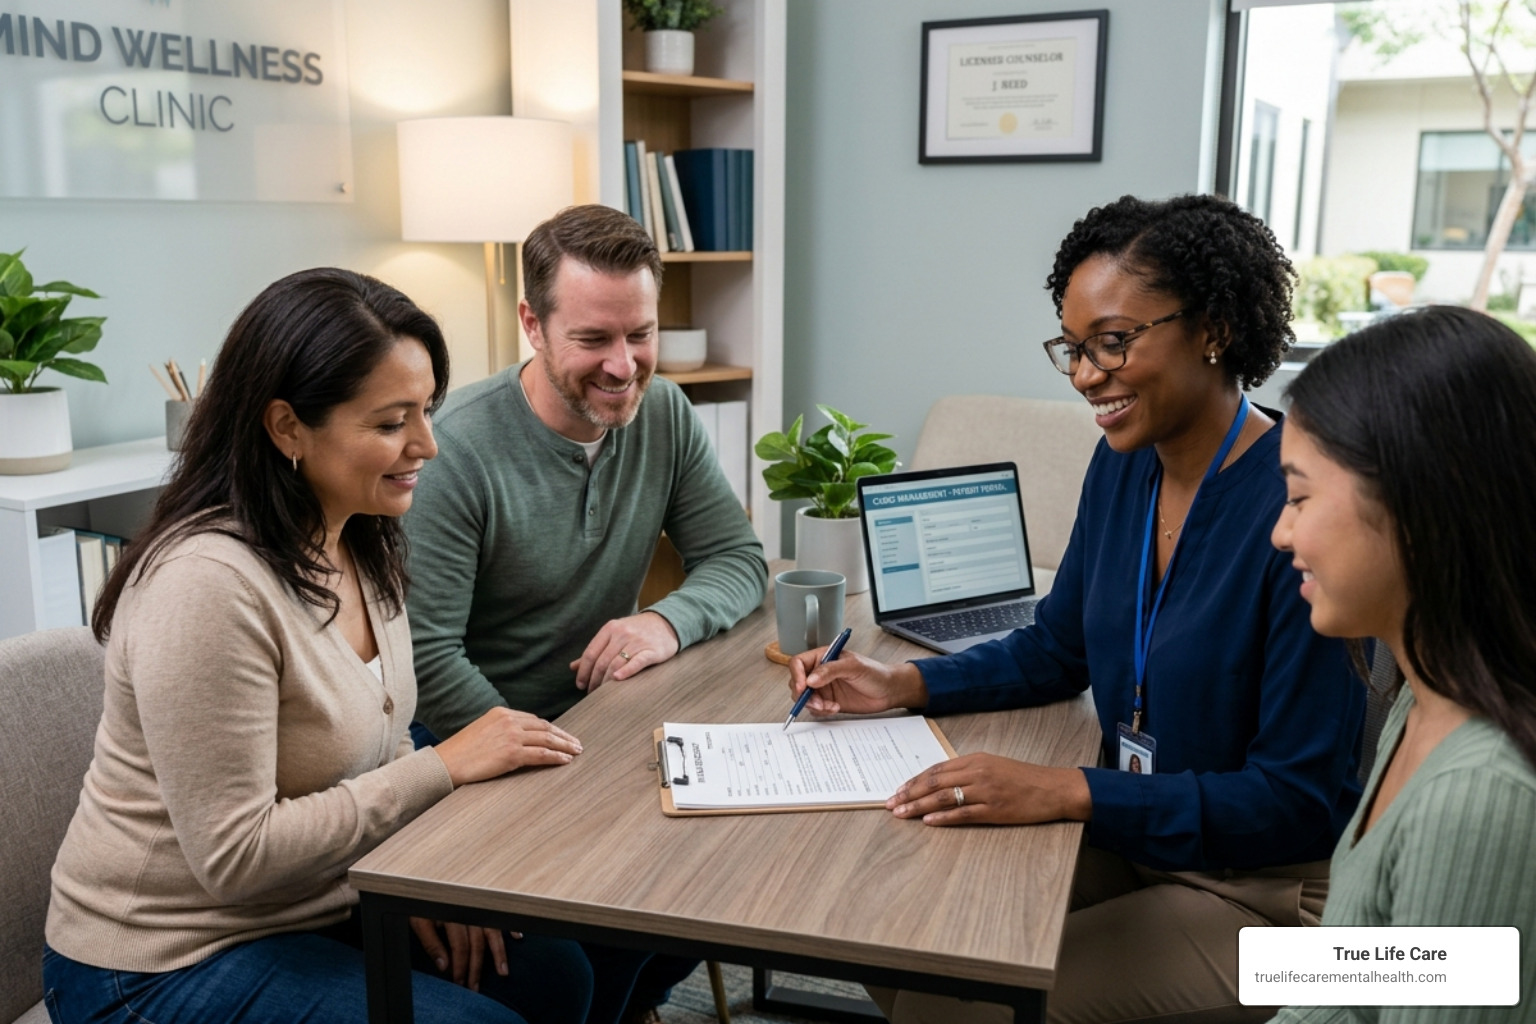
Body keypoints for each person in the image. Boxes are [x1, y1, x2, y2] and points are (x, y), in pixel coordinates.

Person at [789, 195, 1365, 1024]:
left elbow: (1294, 800)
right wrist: (901, 683)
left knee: (954, 1011)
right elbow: (1056, 650)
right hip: (1137, 840)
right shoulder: (1124, 465)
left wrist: (1070, 791)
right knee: (885, 924)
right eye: (1073, 347)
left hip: (1265, 897)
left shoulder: (1296, 514)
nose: (1086, 374)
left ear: (1213, 329)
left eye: (1113, 341)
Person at [42, 268, 596, 1024]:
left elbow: (383, 746)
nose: (428, 445)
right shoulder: (207, 587)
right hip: (160, 959)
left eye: (427, 410)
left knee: (554, 974)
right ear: (287, 428)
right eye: (391, 423)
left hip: (315, 901)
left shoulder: (362, 538)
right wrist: (443, 766)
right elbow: (237, 858)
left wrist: (420, 876)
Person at [404, 204, 767, 1022]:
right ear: (532, 324)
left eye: (640, 334)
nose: (623, 365)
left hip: (602, 727)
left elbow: (738, 559)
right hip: (476, 741)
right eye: (593, 339)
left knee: (717, 874)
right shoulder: (456, 450)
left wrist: (664, 622)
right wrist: (559, 767)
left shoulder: (664, 414)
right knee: (582, 949)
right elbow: (426, 658)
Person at [1270, 305, 1536, 1024]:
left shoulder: (1477, 798)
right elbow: (1358, 982)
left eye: (1299, 497)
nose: (1280, 532)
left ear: (1420, 503)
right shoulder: (1420, 702)